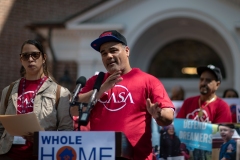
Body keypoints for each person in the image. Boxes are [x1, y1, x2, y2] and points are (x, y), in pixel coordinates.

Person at [70, 30, 174, 160]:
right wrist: (101, 90)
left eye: (113, 50)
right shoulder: (95, 82)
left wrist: (158, 114)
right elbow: (73, 109)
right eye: (104, 53)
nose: (108, 56)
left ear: (127, 51)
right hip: (100, 155)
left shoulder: (148, 81)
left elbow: (169, 116)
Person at [0, 40, 73, 160]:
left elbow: (66, 130)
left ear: (44, 58)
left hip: (42, 154)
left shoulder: (60, 92)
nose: (30, 59)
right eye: (25, 56)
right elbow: (1, 126)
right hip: (9, 154)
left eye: (35, 55)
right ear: (21, 60)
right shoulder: (8, 90)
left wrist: (45, 139)